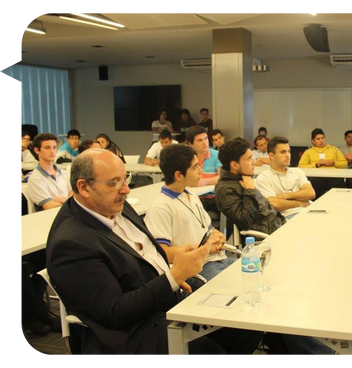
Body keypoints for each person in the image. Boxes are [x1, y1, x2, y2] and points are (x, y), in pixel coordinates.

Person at [46, 148, 263, 357]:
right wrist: (174, 276)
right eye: (114, 182)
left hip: (163, 299)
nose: (126, 189)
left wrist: (175, 268)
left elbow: (146, 252)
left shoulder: (113, 205)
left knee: (247, 326)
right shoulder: (71, 244)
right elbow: (114, 314)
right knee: (210, 350)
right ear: (83, 187)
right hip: (130, 331)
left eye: (125, 178)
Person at [215, 137, 335, 357]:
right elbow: (244, 221)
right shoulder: (226, 189)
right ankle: (318, 351)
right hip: (265, 242)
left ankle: (312, 330)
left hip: (280, 229)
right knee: (291, 295)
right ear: (234, 164)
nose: (254, 162)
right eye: (249, 158)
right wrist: (251, 191)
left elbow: (270, 208)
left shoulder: (245, 178)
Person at [144, 144, 235, 290]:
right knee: (238, 287)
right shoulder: (161, 207)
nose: (201, 170)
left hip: (217, 260)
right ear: (178, 175)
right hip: (197, 271)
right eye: (194, 167)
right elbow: (162, 253)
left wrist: (218, 236)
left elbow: (208, 230)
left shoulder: (191, 195)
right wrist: (205, 249)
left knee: (255, 273)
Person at [255, 136, 315, 219]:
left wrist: (286, 196)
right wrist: (300, 203)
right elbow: (274, 203)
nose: (288, 155)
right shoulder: (263, 178)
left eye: (288, 151)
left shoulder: (297, 172)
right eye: (283, 152)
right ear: (271, 156)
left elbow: (310, 193)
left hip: (310, 211)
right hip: (287, 217)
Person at [26, 133, 73, 211]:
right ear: (37, 150)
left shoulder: (64, 173)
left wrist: (57, 199)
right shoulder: (36, 178)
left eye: (54, 147)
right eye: (47, 148)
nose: (52, 151)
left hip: (68, 215)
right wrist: (68, 200)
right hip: (49, 218)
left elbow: (75, 195)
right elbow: (49, 206)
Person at [298, 128, 347, 199]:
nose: (321, 141)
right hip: (317, 177)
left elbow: (344, 163)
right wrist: (316, 165)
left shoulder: (334, 149)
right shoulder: (308, 152)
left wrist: (334, 163)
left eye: (322, 138)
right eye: (318, 139)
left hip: (333, 176)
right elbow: (301, 167)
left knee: (339, 182)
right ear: (313, 141)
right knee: (314, 183)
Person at [186, 126, 222, 218]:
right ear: (190, 144)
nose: (205, 142)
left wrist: (203, 182)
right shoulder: (186, 158)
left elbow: (222, 176)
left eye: (206, 138)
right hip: (194, 197)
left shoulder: (216, 155)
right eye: (199, 140)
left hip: (214, 197)